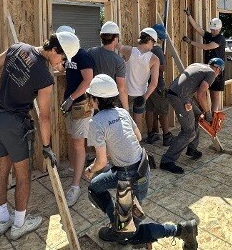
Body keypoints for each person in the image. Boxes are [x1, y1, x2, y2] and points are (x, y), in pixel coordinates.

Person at [83, 74, 199, 249]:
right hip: (140, 167)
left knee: (129, 236)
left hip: (130, 175)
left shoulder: (96, 122)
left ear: (94, 99)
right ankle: (118, 226)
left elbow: (100, 162)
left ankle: (180, 230)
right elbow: (137, 137)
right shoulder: (122, 112)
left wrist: (90, 170)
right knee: (95, 187)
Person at [0, 31, 80, 240]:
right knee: (23, 175)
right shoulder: (44, 78)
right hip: (14, 123)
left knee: (1, 170)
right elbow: (44, 117)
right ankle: (19, 223)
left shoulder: (17, 47)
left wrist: (15, 78)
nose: (63, 63)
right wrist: (46, 146)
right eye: (63, 58)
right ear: (55, 50)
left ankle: (2, 221)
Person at [160, 58, 224, 175]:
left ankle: (192, 149)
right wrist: (208, 113)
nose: (218, 74)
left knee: (198, 116)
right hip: (179, 97)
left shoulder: (197, 64)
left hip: (177, 93)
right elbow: (200, 94)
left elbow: (191, 86)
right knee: (189, 132)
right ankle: (167, 161)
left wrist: (200, 111)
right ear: (218, 69)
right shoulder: (211, 73)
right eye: (219, 71)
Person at [55, 25, 95, 207]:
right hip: (71, 104)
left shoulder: (83, 55)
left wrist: (71, 98)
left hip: (81, 104)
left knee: (79, 143)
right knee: (72, 139)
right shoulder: (70, 56)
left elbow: (88, 80)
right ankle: (74, 169)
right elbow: (67, 70)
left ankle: (76, 185)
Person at [182, 11, 226, 112]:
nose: (213, 31)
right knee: (205, 92)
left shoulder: (220, 39)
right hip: (208, 69)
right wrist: (189, 16)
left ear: (219, 29)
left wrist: (191, 42)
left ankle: (214, 116)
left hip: (217, 71)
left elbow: (206, 47)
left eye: (215, 29)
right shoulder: (210, 36)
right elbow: (198, 29)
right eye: (212, 29)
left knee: (215, 94)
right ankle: (208, 114)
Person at [118, 27, 160, 133]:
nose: (153, 46)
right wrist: (144, 98)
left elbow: (116, 45)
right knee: (137, 123)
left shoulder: (128, 50)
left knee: (124, 123)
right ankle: (138, 147)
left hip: (125, 93)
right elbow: (154, 83)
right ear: (150, 40)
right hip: (140, 94)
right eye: (153, 43)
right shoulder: (154, 59)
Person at [145, 24, 174, 146]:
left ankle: (151, 135)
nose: (161, 40)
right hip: (157, 84)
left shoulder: (143, 49)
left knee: (150, 110)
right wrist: (155, 66)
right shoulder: (157, 50)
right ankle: (166, 136)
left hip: (146, 85)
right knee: (163, 111)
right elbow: (162, 68)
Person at [88, 21, 129, 109]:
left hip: (93, 101)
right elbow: (122, 89)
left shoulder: (91, 52)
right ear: (115, 39)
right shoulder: (118, 61)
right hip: (110, 104)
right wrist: (126, 111)